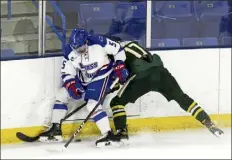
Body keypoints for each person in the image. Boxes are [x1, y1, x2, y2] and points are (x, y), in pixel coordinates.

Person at [104, 36, 224, 142]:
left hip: (142, 77)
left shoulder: (116, 52)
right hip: (161, 72)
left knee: (116, 103)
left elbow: (121, 76)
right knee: (181, 98)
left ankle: (122, 132)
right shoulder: (132, 44)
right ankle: (208, 122)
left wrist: (111, 88)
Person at [39, 28, 129, 147]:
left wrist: (120, 65)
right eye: (76, 48)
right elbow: (66, 72)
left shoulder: (98, 41)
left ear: (86, 41)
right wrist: (71, 84)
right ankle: (56, 129)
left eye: (80, 48)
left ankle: (108, 134)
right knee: (61, 94)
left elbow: (118, 49)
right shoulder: (69, 51)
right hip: (83, 78)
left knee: (92, 104)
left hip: (102, 75)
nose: (78, 51)